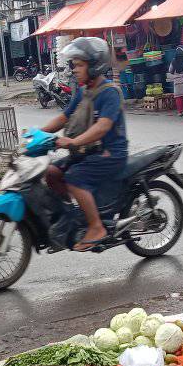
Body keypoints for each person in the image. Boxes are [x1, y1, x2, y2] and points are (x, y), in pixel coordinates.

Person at [40, 36, 127, 251]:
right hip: (88, 151)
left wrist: (73, 141)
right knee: (51, 171)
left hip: (110, 154)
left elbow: (103, 127)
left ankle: (96, 227)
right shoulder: (83, 91)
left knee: (74, 178)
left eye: (79, 65)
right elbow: (64, 117)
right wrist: (37, 134)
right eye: (73, 65)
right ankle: (71, 218)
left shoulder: (110, 93)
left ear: (95, 65)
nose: (74, 70)